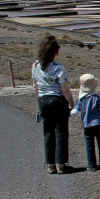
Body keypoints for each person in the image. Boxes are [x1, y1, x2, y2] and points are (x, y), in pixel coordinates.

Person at [32, 34, 74, 174]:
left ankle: (50, 164)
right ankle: (61, 164)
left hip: (43, 100)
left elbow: (36, 86)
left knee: (48, 132)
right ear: (55, 51)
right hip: (57, 100)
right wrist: (72, 103)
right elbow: (65, 89)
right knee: (61, 132)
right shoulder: (58, 68)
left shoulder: (36, 66)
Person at [70, 74, 100, 171]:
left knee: (89, 144)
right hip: (97, 124)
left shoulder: (80, 99)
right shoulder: (96, 97)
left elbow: (75, 111)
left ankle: (92, 165)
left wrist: (70, 114)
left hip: (87, 124)